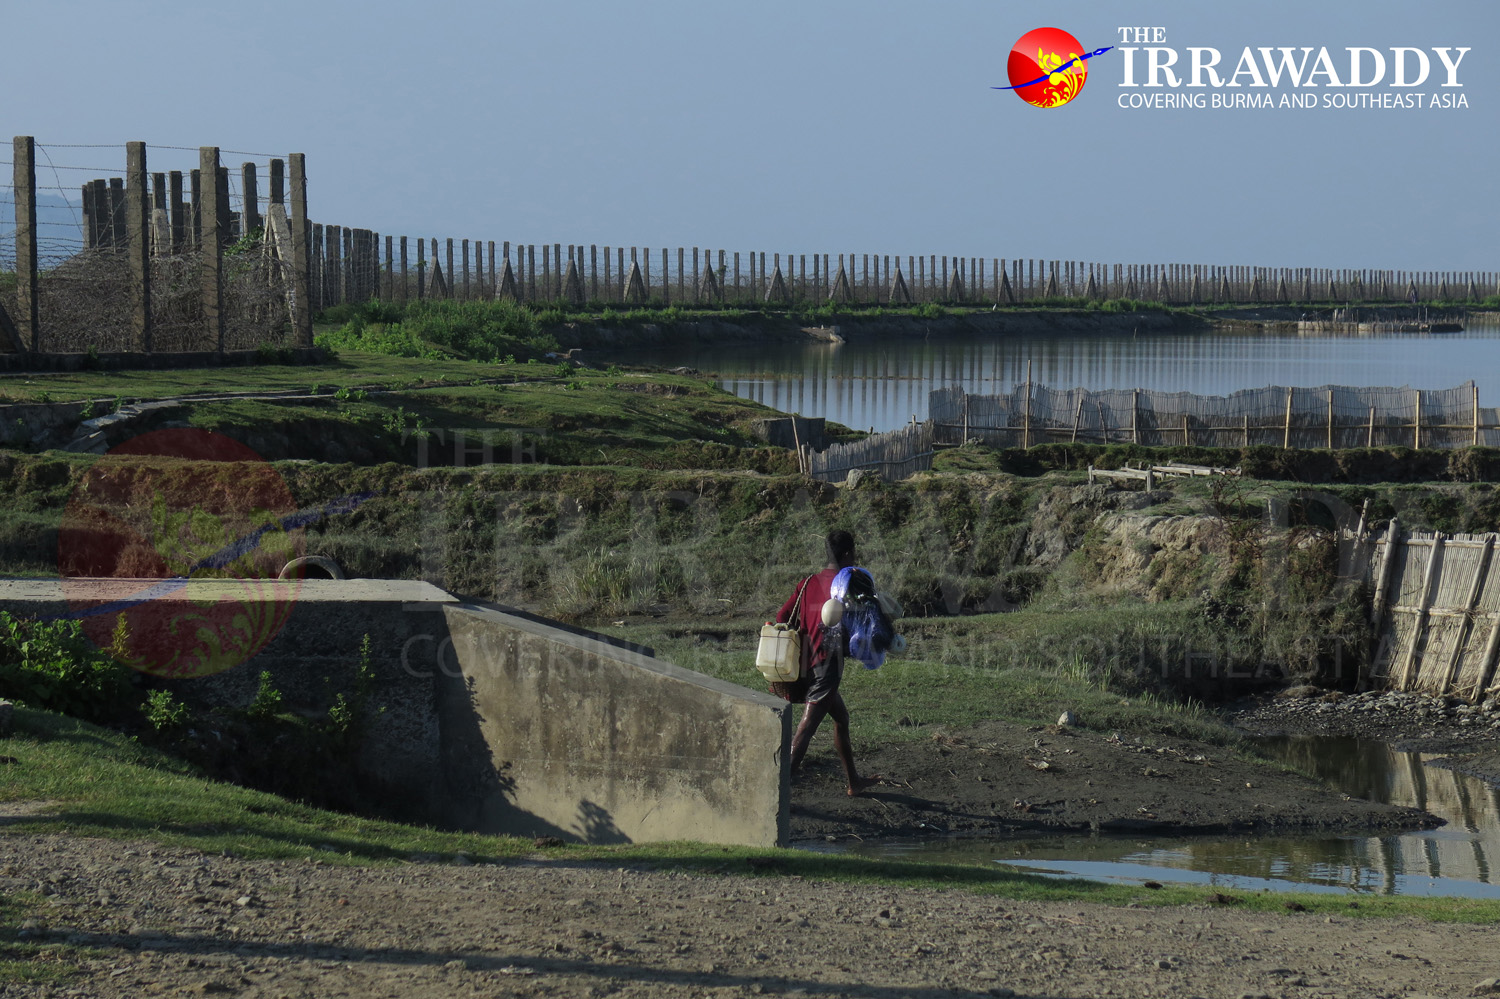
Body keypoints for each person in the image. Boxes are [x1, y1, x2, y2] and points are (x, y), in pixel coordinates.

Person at [775, 529, 881, 797]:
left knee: (841, 719)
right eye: (853, 553)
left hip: (803, 661)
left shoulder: (808, 581)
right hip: (827, 665)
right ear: (847, 554)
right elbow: (858, 628)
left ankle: (853, 782)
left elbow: (782, 615)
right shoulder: (847, 586)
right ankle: (776, 790)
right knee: (806, 728)